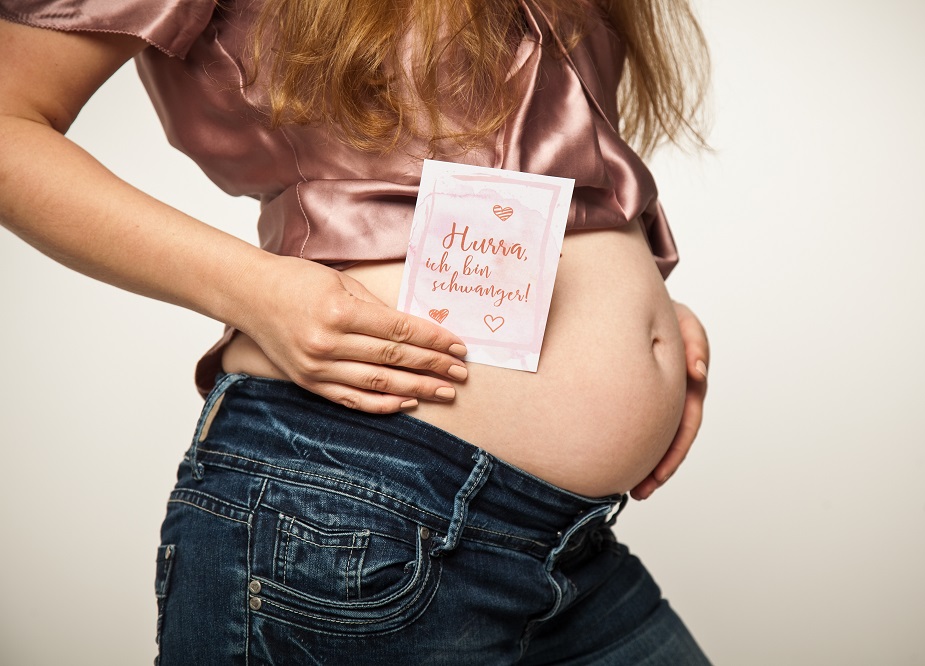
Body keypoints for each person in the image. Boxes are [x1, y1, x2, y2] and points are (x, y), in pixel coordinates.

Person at [0, 0, 712, 663]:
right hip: (353, 510)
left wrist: (637, 309)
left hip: (570, 537)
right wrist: (256, 288)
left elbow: (551, 151)